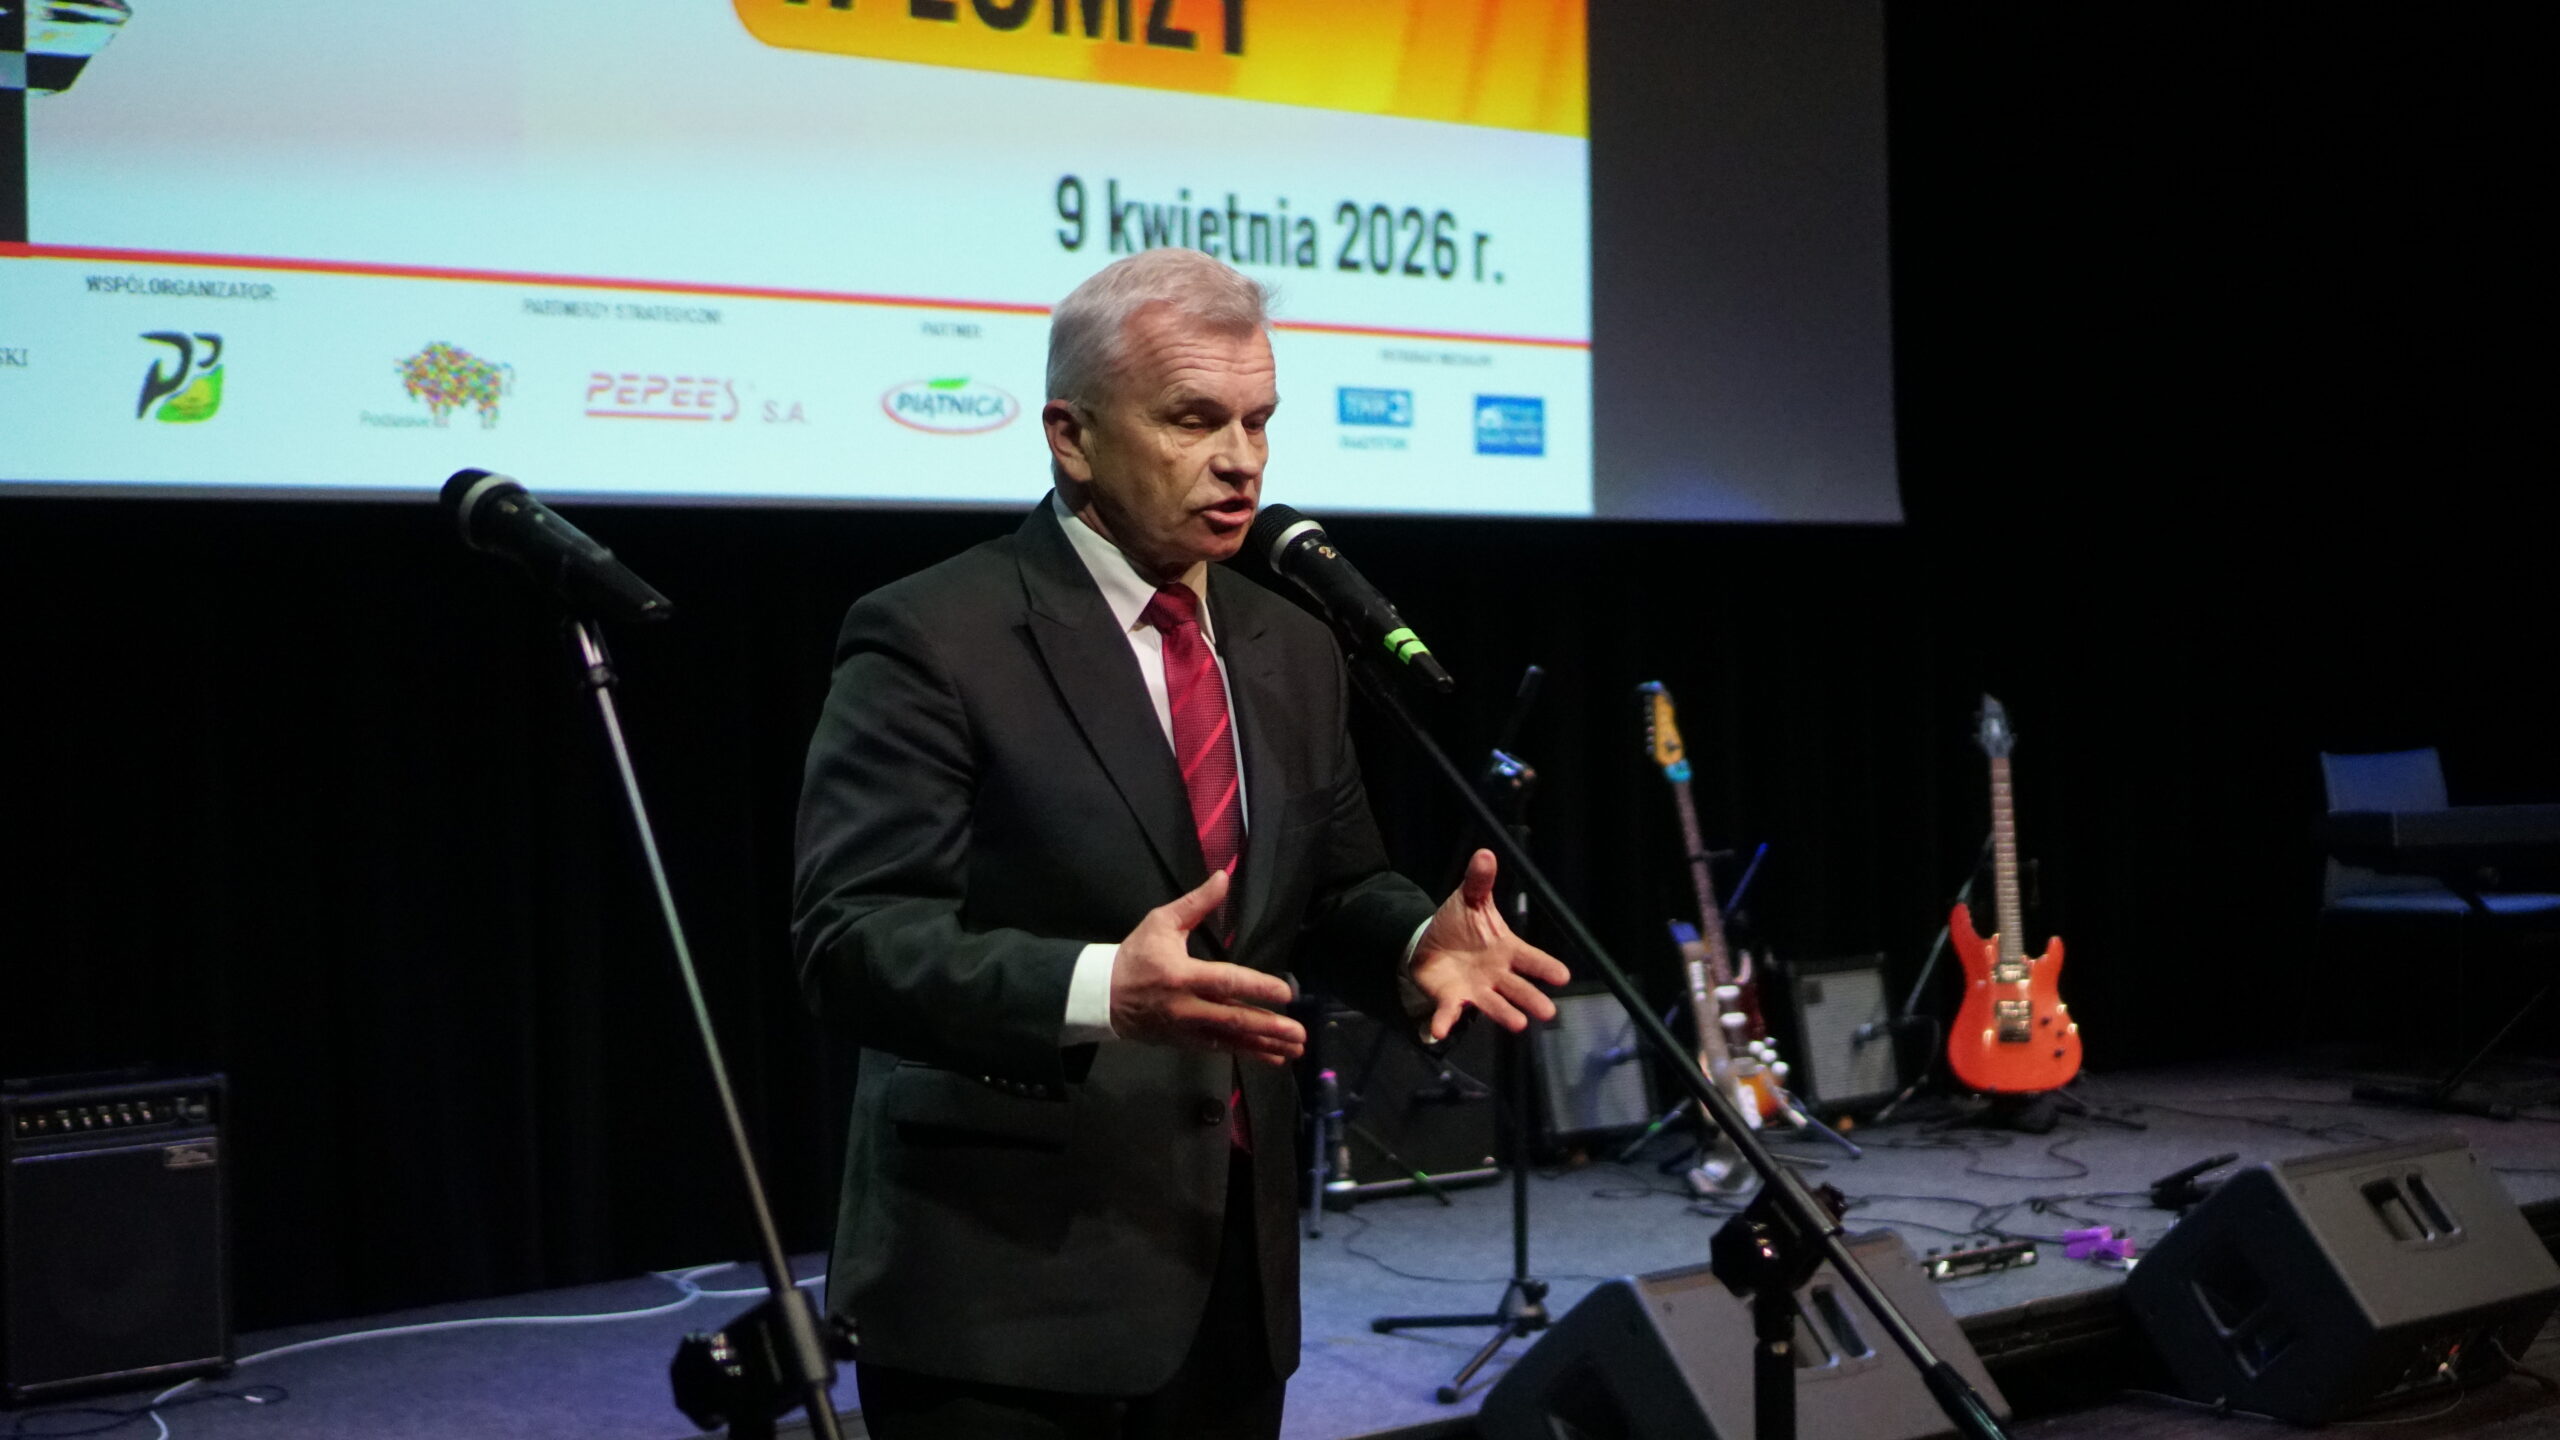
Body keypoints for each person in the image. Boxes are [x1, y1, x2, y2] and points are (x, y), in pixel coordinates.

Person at [792, 248, 1568, 1440]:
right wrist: (1103, 989)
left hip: (1229, 1277)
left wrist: (1413, 943)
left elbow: (1333, 887)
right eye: (1194, 419)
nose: (1243, 458)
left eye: (1259, 421)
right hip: (1002, 1295)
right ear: (1072, 436)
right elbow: (850, 942)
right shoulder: (932, 635)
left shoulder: (1289, 643)